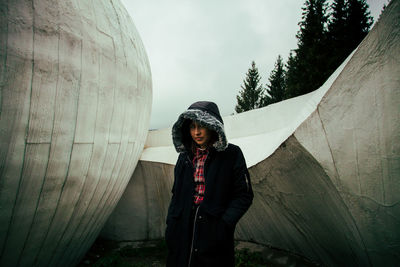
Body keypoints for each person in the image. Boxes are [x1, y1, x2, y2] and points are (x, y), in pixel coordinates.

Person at [165, 101, 253, 267]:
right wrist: (171, 224)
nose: (196, 132)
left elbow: (244, 195)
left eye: (202, 126)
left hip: (213, 226)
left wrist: (224, 224)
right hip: (182, 225)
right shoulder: (184, 157)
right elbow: (176, 193)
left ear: (213, 126)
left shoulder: (231, 154)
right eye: (192, 127)